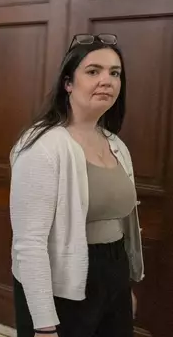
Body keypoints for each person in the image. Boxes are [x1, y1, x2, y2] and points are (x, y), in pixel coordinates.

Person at [9, 33, 144, 337]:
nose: (106, 80)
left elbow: (121, 225)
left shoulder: (116, 145)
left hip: (113, 272)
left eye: (115, 73)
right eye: (93, 71)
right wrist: (43, 325)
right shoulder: (41, 146)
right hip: (62, 283)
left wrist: (122, 288)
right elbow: (29, 244)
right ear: (68, 83)